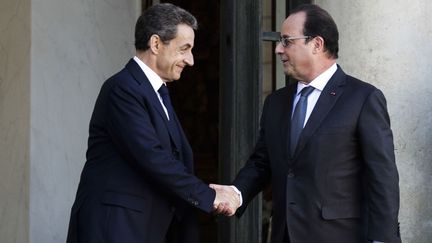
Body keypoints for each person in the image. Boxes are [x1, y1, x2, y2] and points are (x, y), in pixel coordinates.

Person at [212, 3, 401, 243]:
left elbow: (382, 177)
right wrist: (236, 194)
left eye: (287, 41)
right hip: (285, 235)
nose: (278, 49)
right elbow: (262, 162)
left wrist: (383, 239)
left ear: (317, 44)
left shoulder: (362, 98)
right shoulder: (276, 102)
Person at [66, 3, 239, 243]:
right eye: (184, 49)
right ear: (156, 44)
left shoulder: (157, 91)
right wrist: (209, 196)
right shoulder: (122, 89)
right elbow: (152, 156)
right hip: (115, 228)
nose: (190, 60)